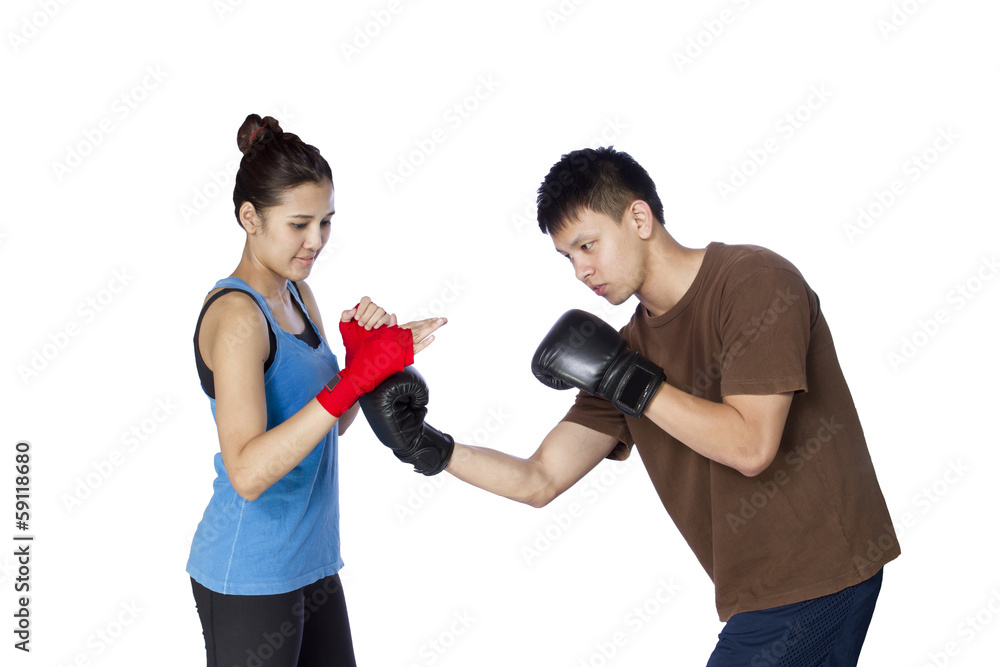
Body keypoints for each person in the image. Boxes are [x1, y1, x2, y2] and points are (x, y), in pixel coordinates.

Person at [362, 146, 900, 665]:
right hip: (758, 590)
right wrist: (426, 446)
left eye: (588, 245)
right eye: (568, 256)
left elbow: (751, 446)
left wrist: (626, 378)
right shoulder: (623, 352)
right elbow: (540, 478)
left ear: (639, 218)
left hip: (822, 571)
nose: (580, 271)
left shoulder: (754, 282)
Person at [185, 114, 444, 667]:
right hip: (250, 572)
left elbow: (332, 424)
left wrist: (361, 365)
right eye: (299, 224)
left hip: (313, 562)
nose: (316, 241)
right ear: (250, 218)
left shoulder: (298, 294)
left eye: (325, 222)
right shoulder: (238, 317)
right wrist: (354, 379)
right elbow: (248, 473)